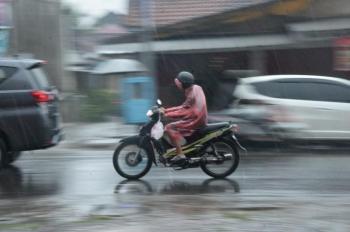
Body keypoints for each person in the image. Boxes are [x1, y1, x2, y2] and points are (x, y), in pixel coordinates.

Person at [161, 71, 208, 163]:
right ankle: (182, 147)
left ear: (183, 83)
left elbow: (183, 110)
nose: (177, 85)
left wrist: (166, 114)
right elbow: (184, 107)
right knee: (176, 125)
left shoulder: (191, 94)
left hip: (196, 119)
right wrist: (166, 110)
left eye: (179, 83)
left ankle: (180, 154)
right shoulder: (195, 88)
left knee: (169, 127)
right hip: (200, 117)